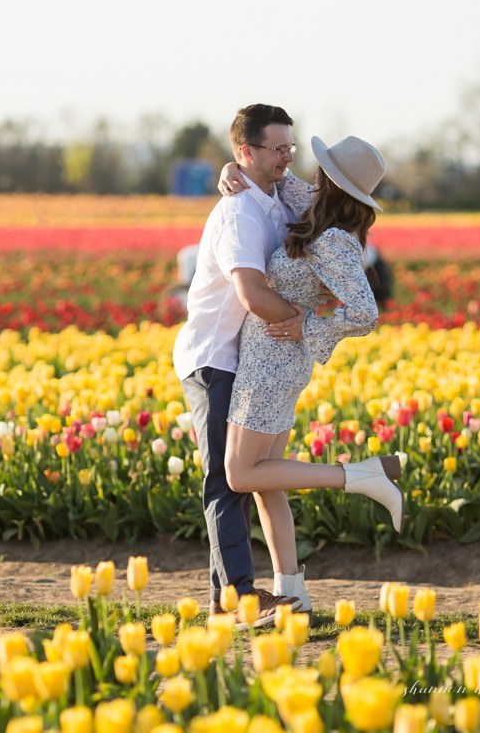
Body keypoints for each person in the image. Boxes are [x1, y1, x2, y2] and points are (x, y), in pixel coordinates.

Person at [215, 135, 405, 616]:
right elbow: (264, 176)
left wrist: (310, 325)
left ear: (332, 180)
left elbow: (365, 313)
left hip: (271, 364)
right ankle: (293, 592)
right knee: (264, 482)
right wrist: (230, 167)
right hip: (274, 359)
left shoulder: (336, 239)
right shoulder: (313, 204)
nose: (309, 174)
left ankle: (360, 476)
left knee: (239, 474)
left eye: (323, 170)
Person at [173, 104, 333, 629]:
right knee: (227, 478)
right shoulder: (239, 211)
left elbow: (319, 203)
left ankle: (245, 595)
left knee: (248, 477)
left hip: (250, 359)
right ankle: (238, 597)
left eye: (291, 147)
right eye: (277, 148)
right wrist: (307, 325)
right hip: (214, 356)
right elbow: (252, 292)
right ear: (246, 151)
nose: (288, 156)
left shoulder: (274, 198)